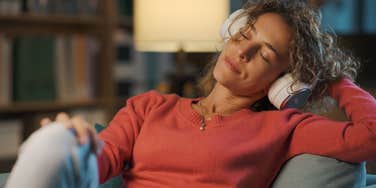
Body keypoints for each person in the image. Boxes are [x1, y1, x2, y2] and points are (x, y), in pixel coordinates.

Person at [5, 0, 376, 187]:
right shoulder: (149, 106)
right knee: (56, 140)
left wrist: (332, 79)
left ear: (285, 82)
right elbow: (98, 164)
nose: (242, 52)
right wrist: (74, 143)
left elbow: (370, 137)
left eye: (264, 54)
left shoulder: (285, 126)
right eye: (244, 36)